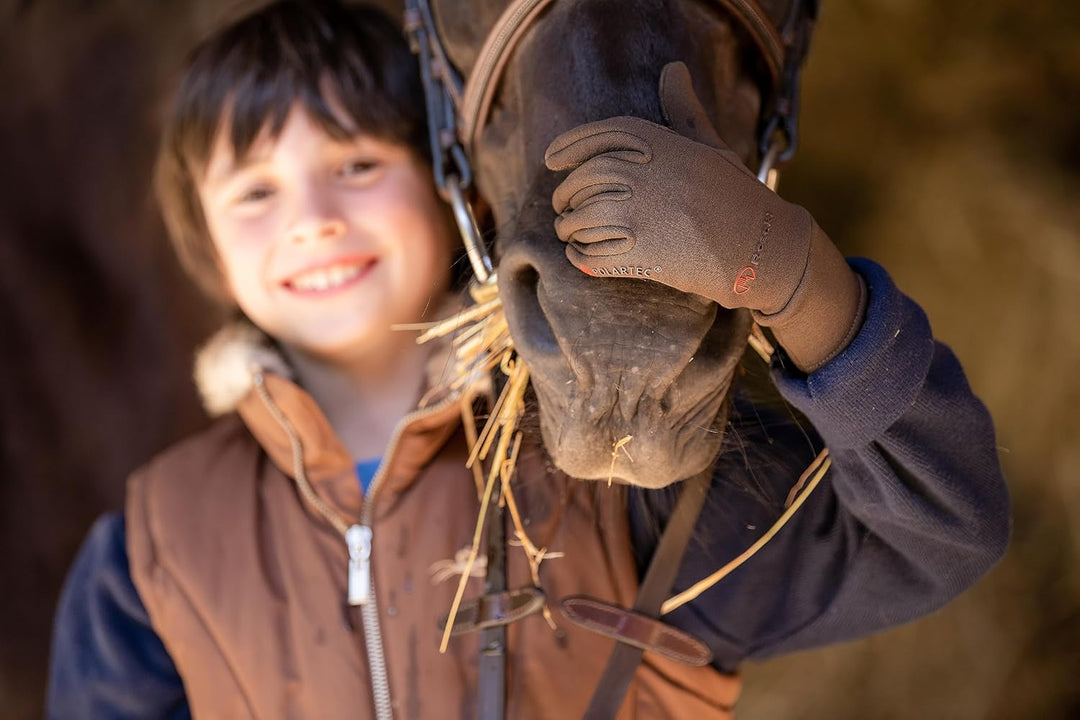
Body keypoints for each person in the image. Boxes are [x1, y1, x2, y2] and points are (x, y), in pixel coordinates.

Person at [47, 1, 1010, 718]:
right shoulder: (148, 559)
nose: (314, 223)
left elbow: (940, 531)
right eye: (254, 193)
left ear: (449, 180)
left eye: (356, 166)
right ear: (204, 248)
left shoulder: (640, 505)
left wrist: (797, 277)